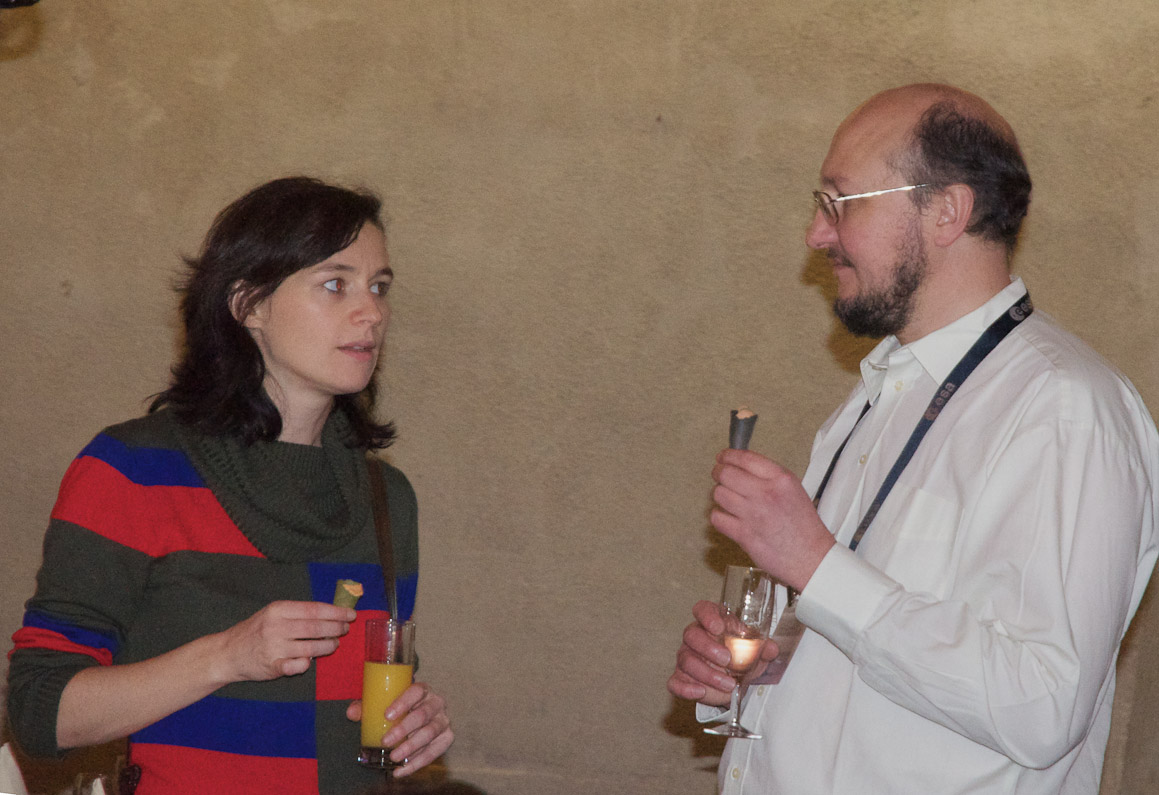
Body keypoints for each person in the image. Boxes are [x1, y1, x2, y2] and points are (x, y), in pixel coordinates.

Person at [668, 83, 1159, 794]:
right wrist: (758, 666)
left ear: (946, 211)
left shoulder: (1064, 409)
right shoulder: (880, 392)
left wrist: (815, 563)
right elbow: (871, 650)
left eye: (840, 202)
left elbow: (1041, 706)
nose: (816, 234)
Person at [7, 176, 454, 794]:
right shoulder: (134, 470)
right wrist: (226, 657)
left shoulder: (385, 499)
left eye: (379, 287)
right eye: (336, 284)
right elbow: (39, 713)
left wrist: (415, 724)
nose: (372, 312)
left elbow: (349, 710)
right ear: (248, 305)